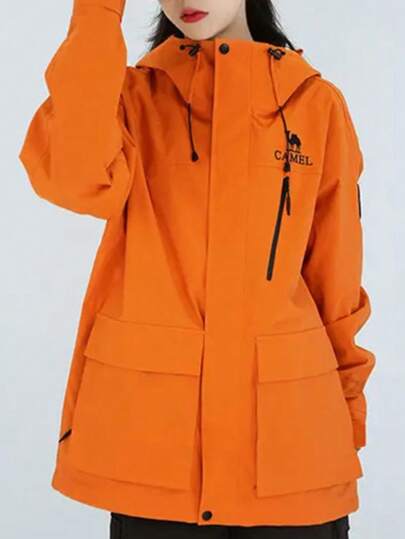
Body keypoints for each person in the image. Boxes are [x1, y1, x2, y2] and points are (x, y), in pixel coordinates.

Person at [19, 0, 376, 537]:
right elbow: (74, 178)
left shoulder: (315, 104)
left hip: (295, 454)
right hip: (156, 459)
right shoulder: (131, 99)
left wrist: (347, 421)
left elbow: (337, 280)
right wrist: (98, 12)